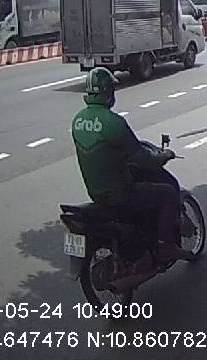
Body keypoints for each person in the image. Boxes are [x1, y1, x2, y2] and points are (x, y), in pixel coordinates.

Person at [71, 68, 189, 268]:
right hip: (120, 193)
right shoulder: (113, 123)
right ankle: (166, 247)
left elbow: (104, 153)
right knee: (168, 193)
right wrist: (164, 156)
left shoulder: (78, 120)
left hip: (97, 193)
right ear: (108, 92)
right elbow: (145, 159)